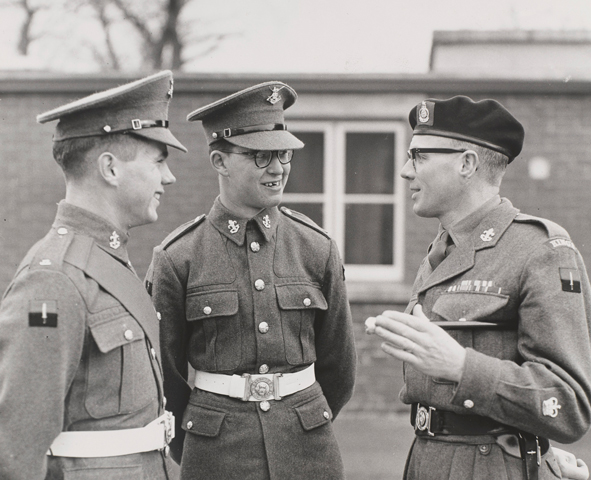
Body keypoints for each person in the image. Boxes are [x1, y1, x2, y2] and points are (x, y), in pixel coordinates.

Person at [365, 96, 591, 480]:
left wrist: (461, 367)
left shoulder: (540, 249)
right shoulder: (441, 250)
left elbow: (569, 404)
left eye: (419, 156)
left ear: (467, 163)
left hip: (492, 466)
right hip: (426, 458)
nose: (405, 171)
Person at [145, 81, 357, 480]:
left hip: (307, 449)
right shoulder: (178, 258)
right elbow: (164, 381)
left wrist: (306, 417)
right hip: (217, 453)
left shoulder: (316, 248)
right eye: (260, 156)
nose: (277, 168)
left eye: (283, 154)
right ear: (220, 161)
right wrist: (198, 442)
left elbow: (339, 366)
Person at [0, 70, 186, 479]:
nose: (168, 177)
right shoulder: (53, 279)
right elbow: (15, 447)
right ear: (110, 169)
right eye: (158, 161)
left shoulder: (105, 257)